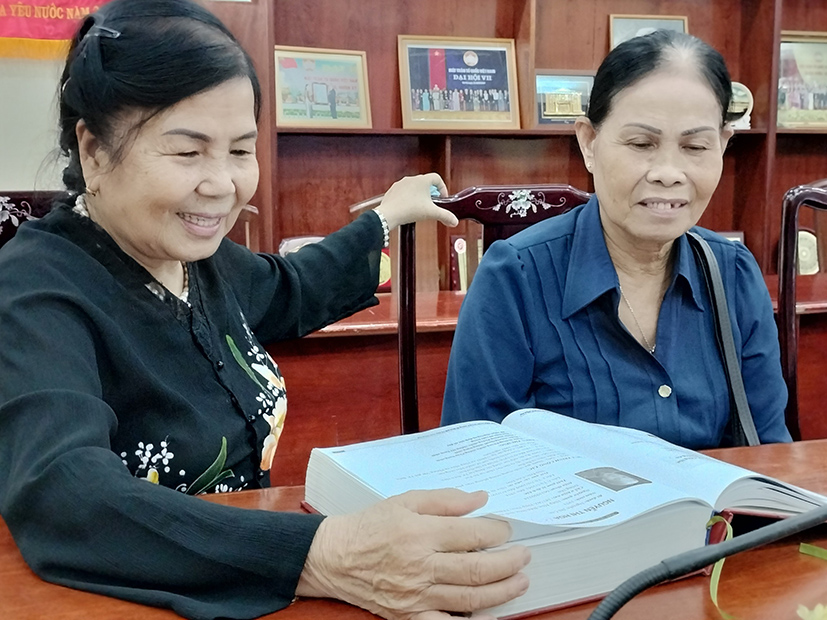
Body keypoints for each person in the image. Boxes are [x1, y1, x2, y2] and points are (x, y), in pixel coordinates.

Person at [0, 2, 531, 620]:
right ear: (93, 151)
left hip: (250, 584)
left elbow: (293, 286)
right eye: (188, 152)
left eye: (240, 150)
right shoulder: (33, 290)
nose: (222, 184)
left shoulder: (199, 262)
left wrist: (385, 217)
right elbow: (65, 493)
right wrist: (324, 554)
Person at [441, 30, 792, 450]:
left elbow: (769, 454)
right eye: (641, 143)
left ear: (722, 144)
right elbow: (477, 461)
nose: (668, 173)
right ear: (589, 143)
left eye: (696, 146)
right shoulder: (515, 277)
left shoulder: (734, 274)